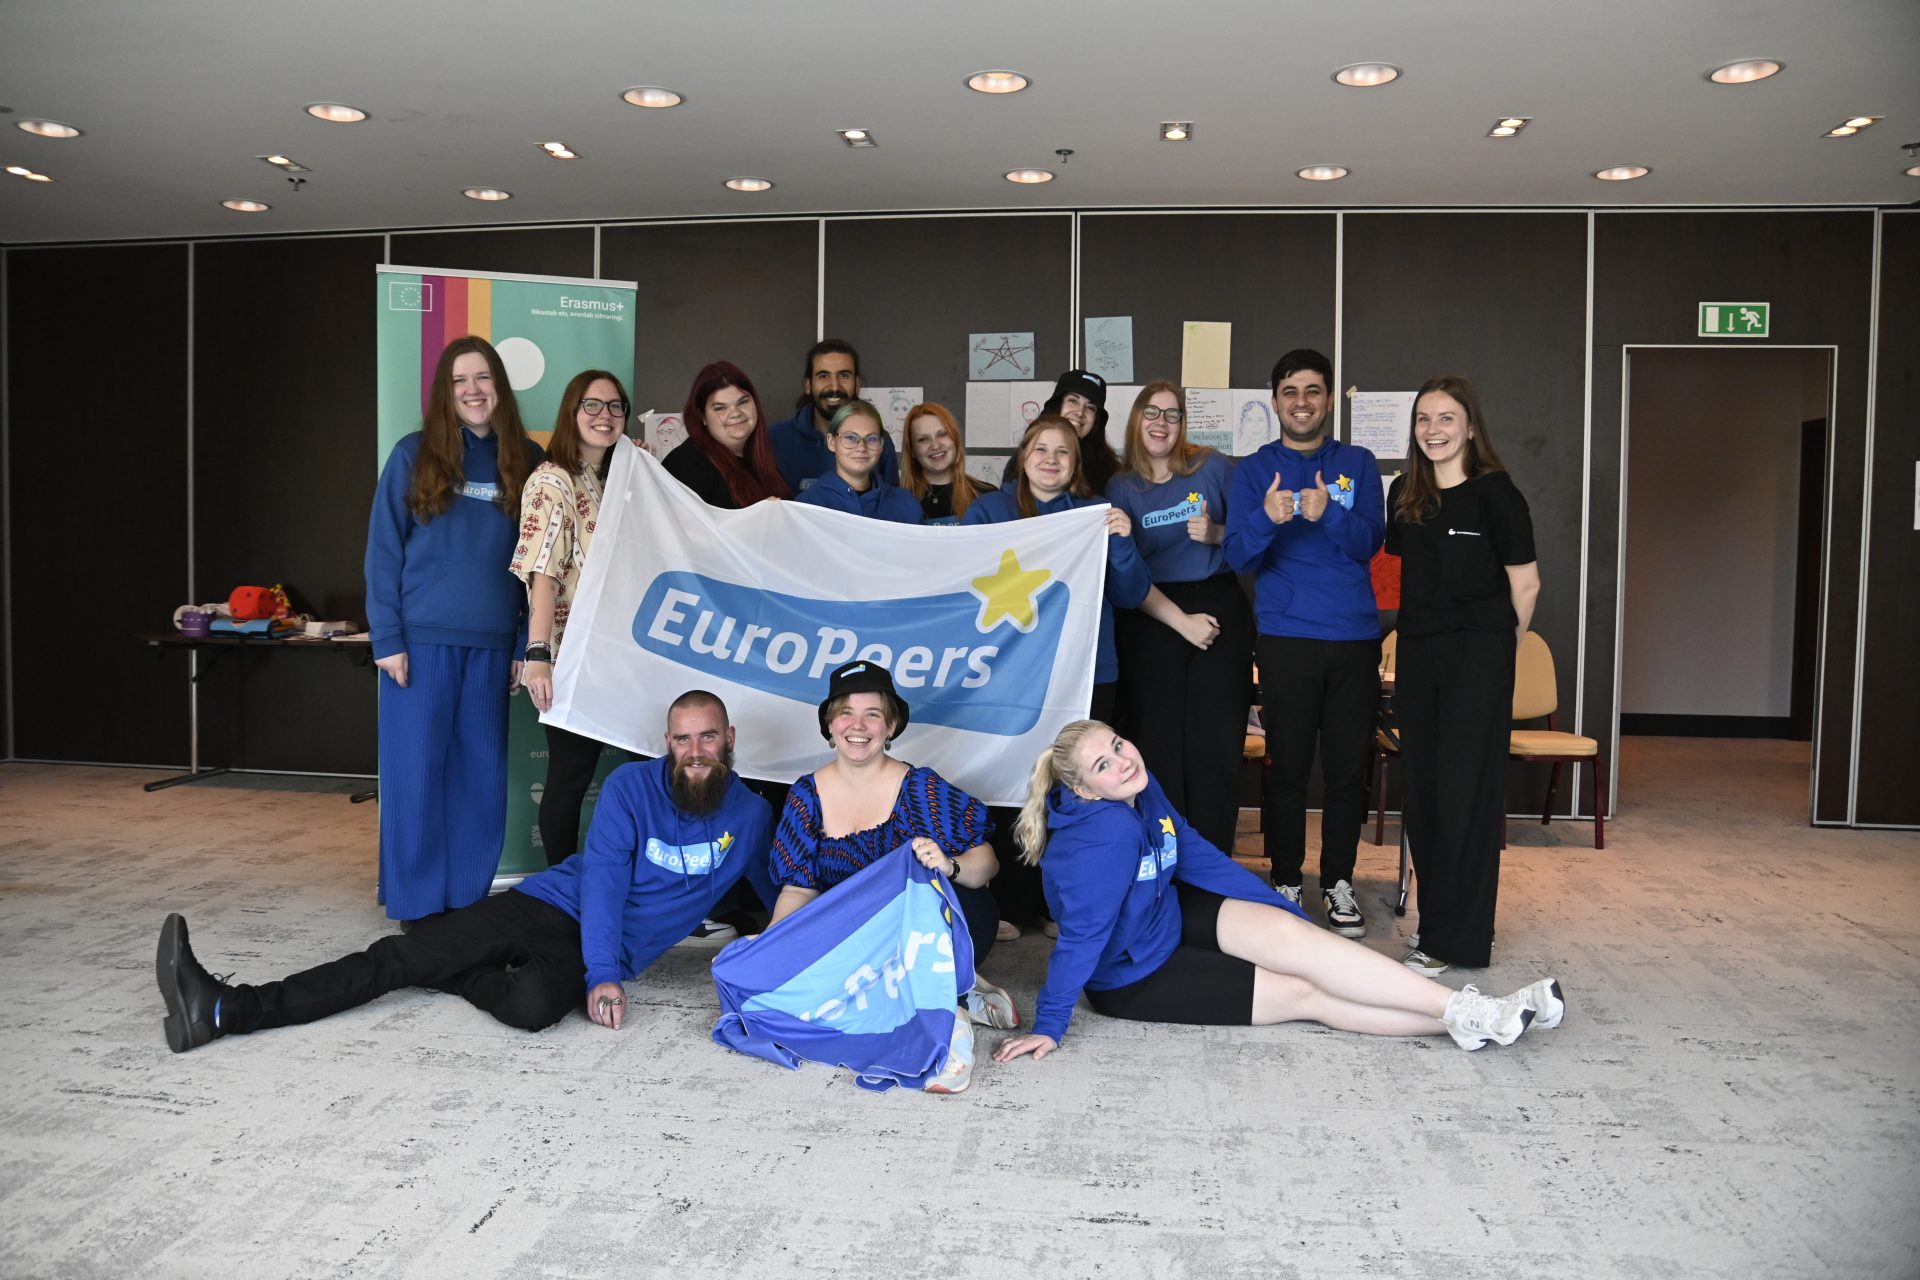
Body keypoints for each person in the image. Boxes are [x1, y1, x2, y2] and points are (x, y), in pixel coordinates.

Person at [155, 692, 776, 1051]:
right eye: (682, 739)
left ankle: (455, 969)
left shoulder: (749, 816)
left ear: (729, 738)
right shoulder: (629, 787)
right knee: (395, 960)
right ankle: (225, 1010)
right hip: (549, 904)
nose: (695, 753)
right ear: (666, 742)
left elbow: (784, 897)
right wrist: (606, 977)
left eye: (708, 738)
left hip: (591, 948)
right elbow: (607, 883)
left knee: (531, 1007)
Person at [990, 720, 1565, 1066]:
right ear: (1083, 790)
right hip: (1130, 974)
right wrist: (1051, 1023)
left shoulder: (1137, 789)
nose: (1122, 760)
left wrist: (1277, 906)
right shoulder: (1102, 839)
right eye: (1103, 762)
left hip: (1162, 911)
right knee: (1303, 991)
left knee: (1298, 938)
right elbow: (1082, 938)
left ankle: (1480, 1012)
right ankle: (1468, 1018)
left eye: (1117, 744)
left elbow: (1187, 848)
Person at [365, 335, 543, 924]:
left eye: (483, 378)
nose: (473, 390)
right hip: (418, 646)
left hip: (491, 648)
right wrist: (387, 639)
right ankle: (417, 903)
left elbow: (540, 565)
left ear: (500, 387)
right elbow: (383, 552)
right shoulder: (413, 454)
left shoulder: (528, 461)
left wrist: (523, 644)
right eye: (460, 380)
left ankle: (466, 900)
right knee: (416, 778)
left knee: (480, 780)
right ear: (446, 391)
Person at [765, 661, 1016, 1041]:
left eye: (873, 715)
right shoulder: (806, 796)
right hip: (861, 933)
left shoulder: (920, 790)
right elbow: (799, 890)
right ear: (830, 726)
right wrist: (768, 944)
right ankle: (962, 992)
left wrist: (950, 866)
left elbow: (987, 864)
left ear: (891, 726)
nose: (858, 726)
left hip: (937, 925)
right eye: (845, 713)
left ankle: (952, 988)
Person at [1223, 348, 1384, 940]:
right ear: (1275, 401)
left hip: (1354, 638)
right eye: (1290, 391)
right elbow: (1238, 554)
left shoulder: (1359, 463)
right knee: (1287, 768)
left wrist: (1329, 515)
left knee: (1346, 770)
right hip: (1287, 639)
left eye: (1313, 391)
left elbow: (1371, 543)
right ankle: (1287, 878)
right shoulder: (1253, 470)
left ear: (1328, 398)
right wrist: (1267, 518)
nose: (1301, 402)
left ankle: (1338, 882)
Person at [1386, 376, 1540, 975]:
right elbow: (1398, 578)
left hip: (1479, 661)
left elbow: (1525, 584)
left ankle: (1466, 939)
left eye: (1446, 418)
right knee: (1423, 796)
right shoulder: (1406, 494)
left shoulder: (1497, 494)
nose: (1434, 430)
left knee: (1465, 798)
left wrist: (1499, 651)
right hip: (1420, 660)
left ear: (1470, 426)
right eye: (1424, 419)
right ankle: (1434, 929)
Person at [1105, 380, 1254, 853]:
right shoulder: (1121, 486)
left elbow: (1255, 538)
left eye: (1172, 414)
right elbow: (1126, 580)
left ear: (1183, 424)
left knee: (1216, 743)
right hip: (1152, 616)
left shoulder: (1214, 467)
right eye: (1152, 413)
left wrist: (1217, 534)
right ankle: (1165, 854)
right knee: (1159, 744)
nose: (1161, 423)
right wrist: (1182, 622)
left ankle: (1213, 859)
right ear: (1135, 420)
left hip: (1219, 605)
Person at [513, 369, 634, 865]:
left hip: (621, 652)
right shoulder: (551, 479)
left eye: (615, 407)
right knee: (570, 776)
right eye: (592, 405)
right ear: (571, 411)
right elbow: (542, 572)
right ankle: (560, 894)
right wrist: (538, 655)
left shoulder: (613, 479)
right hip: (571, 652)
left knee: (642, 770)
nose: (604, 417)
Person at [963, 415, 1150, 725]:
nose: (1051, 459)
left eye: (1062, 452)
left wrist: (1123, 543)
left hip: (1086, 670)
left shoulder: (1096, 514)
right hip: (1008, 667)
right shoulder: (987, 511)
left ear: (1075, 463)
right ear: (1023, 457)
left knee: (1083, 769)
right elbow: (961, 589)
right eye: (1041, 449)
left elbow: (1129, 596)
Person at [770, 339, 900, 493]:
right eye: (823, 376)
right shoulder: (775, 439)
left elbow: (891, 504)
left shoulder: (877, 441)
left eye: (844, 375)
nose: (834, 386)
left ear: (857, 384)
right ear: (808, 385)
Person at [662, 361, 791, 509]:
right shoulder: (686, 463)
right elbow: (679, 529)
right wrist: (756, 518)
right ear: (703, 417)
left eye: (743, 402)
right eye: (721, 408)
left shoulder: (763, 459)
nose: (735, 413)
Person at [793, 400, 923, 523]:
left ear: (882, 445)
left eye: (871, 439)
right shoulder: (807, 506)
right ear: (831, 442)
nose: (861, 447)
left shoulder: (906, 504)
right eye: (850, 437)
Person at [1001, 370, 1122, 496]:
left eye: (1090, 407)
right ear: (1057, 405)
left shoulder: (1111, 471)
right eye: (1073, 401)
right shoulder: (1022, 461)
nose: (1080, 412)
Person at [899, 402, 994, 524]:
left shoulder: (987, 496)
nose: (935, 445)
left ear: (955, 439)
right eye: (923, 439)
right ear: (912, 450)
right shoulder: (897, 504)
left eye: (942, 434)